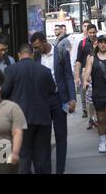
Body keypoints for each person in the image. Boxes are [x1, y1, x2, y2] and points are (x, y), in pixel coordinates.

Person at [1, 44, 56, 174]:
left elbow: (4, 92)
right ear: (32, 54)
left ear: (19, 55)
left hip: (20, 120)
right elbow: (51, 90)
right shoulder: (45, 71)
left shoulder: (11, 70)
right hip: (42, 118)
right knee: (42, 157)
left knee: (23, 157)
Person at [31, 32, 76, 174]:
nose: (36, 50)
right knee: (44, 138)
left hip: (59, 99)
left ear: (44, 42)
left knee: (61, 136)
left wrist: (72, 98)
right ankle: (47, 170)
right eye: (34, 47)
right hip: (43, 100)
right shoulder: (36, 57)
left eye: (37, 46)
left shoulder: (61, 53)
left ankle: (60, 170)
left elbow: (68, 76)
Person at [74, 23, 98, 125]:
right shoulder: (82, 43)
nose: (92, 34)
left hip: (98, 71)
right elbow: (78, 60)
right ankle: (91, 118)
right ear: (87, 33)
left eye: (94, 32)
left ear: (96, 32)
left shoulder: (102, 42)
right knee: (88, 96)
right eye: (90, 33)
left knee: (97, 95)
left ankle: (97, 117)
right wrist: (76, 76)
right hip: (85, 72)